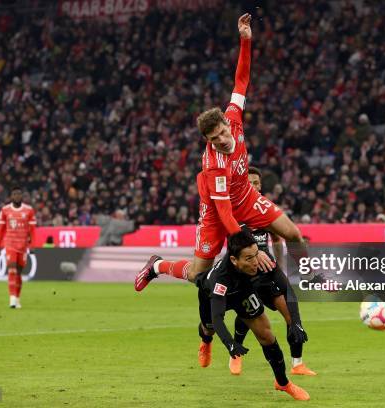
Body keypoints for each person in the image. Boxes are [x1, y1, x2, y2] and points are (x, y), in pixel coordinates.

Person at [135, 13, 307, 291]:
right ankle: (157, 265)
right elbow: (226, 215)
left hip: (246, 196)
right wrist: (251, 250)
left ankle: (310, 277)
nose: (224, 140)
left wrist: (246, 41)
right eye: (215, 139)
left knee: (294, 233)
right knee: (197, 275)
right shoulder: (214, 164)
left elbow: (241, 80)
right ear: (207, 140)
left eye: (224, 133)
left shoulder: (233, 116)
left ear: (228, 124)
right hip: (216, 212)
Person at [195, 229, 310, 400]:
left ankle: (283, 383)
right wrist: (230, 344)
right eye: (249, 258)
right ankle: (206, 342)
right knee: (209, 328)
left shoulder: (262, 260)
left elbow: (287, 289)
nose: (256, 261)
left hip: (244, 291)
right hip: (214, 296)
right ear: (234, 260)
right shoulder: (220, 279)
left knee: (266, 336)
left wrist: (296, 323)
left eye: (256, 254)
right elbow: (217, 318)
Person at [228, 167, 315, 376]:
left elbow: (277, 238)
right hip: (246, 275)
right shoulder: (235, 210)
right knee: (249, 314)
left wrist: (280, 265)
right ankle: (235, 354)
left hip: (268, 272)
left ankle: (297, 363)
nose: (254, 186)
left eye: (257, 182)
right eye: (249, 182)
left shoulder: (263, 209)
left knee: (291, 313)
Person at [0, 186, 36, 309]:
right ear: (11, 196)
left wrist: (32, 245)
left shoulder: (29, 210)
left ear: (22, 196)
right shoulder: (5, 210)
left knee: (18, 273)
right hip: (10, 244)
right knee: (12, 269)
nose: (17, 196)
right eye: (15, 194)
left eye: (19, 194)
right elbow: (1, 230)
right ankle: (12, 298)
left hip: (23, 245)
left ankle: (17, 298)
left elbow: (33, 230)